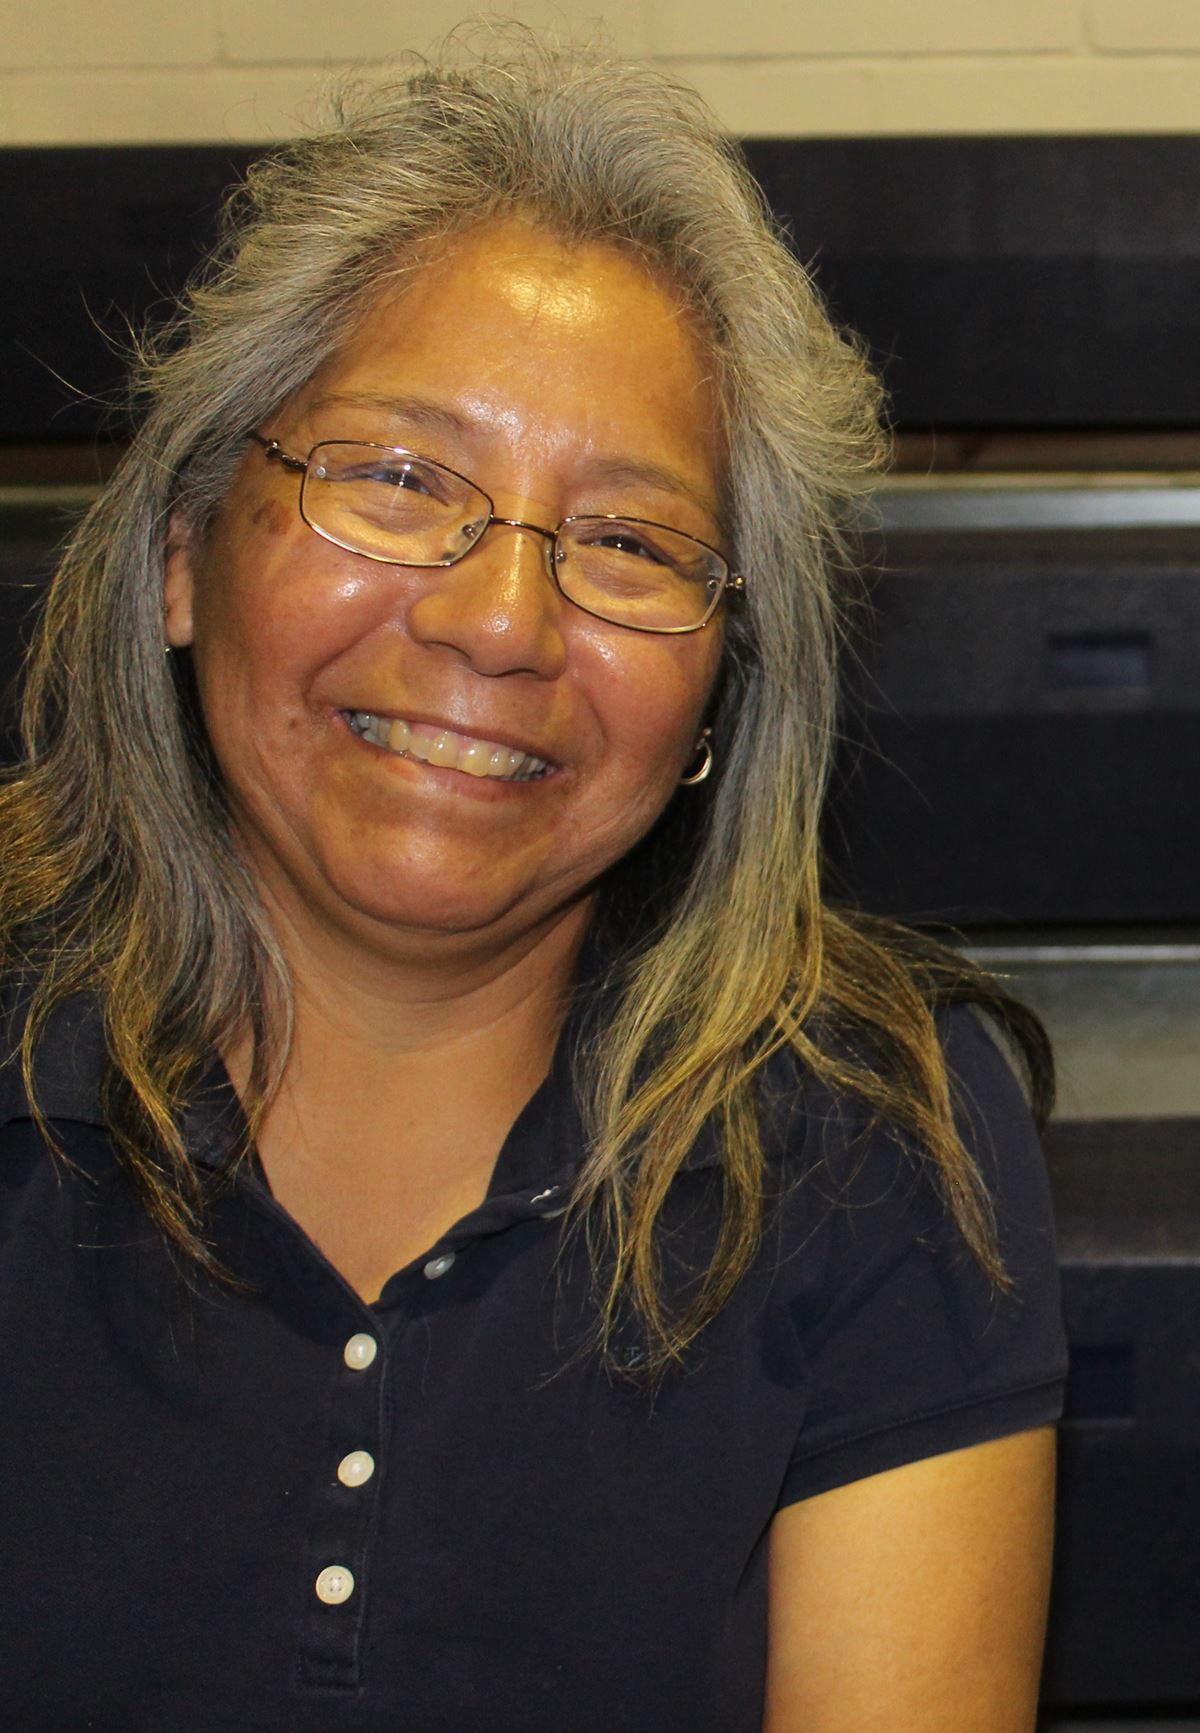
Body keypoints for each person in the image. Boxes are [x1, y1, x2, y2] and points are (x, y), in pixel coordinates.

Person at [0, 38, 1062, 1732]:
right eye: (400, 478)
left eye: (631, 541)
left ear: (725, 685)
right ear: (185, 552)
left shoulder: (880, 1137)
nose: (501, 619)